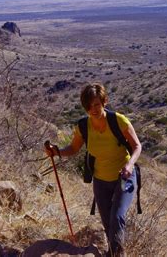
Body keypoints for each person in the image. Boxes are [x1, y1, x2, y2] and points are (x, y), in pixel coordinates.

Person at [45, 83, 142, 257]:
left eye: (96, 104)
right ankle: (112, 252)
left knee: (117, 217)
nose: (93, 109)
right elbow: (73, 149)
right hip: (100, 180)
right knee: (107, 222)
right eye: (89, 106)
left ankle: (117, 254)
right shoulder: (83, 126)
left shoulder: (118, 121)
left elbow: (137, 146)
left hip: (124, 176)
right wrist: (57, 151)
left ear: (105, 102)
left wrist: (129, 165)